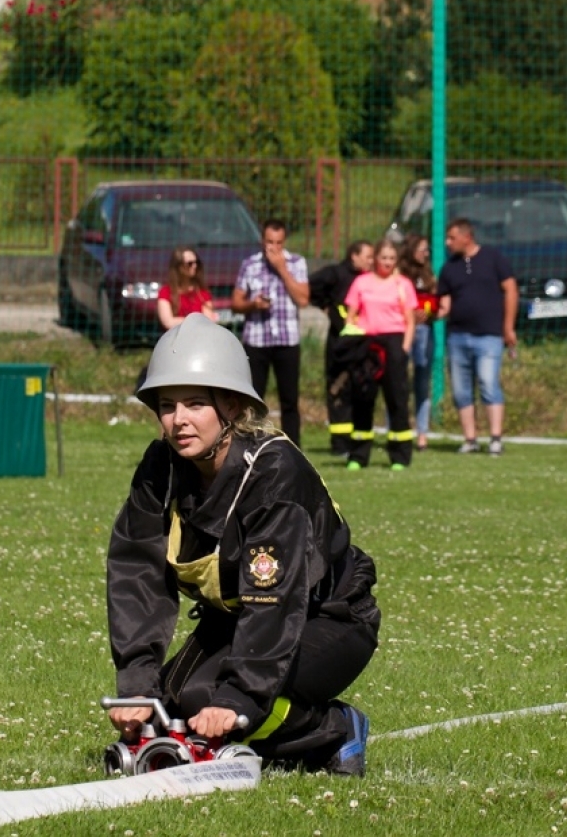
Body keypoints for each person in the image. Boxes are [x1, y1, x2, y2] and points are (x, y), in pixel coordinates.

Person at [106, 314, 378, 775]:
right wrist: (137, 685)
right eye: (167, 406)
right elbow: (138, 575)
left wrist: (239, 697)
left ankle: (334, 728)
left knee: (215, 706)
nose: (179, 421)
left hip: (328, 619)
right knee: (169, 712)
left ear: (231, 406)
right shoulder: (161, 467)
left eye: (195, 404)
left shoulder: (275, 474)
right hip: (237, 618)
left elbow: (275, 598)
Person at [436, 218, 517, 455]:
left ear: (466, 237)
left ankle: (495, 438)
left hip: (489, 336)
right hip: (457, 337)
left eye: (452, 238)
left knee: (488, 384)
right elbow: (445, 304)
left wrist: (508, 327)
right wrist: (428, 313)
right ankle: (469, 439)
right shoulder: (449, 267)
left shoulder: (493, 258)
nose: (447, 243)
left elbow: (510, 289)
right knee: (461, 390)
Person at [230, 219, 310, 444]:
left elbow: (303, 299)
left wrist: (282, 269)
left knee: (289, 400)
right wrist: (253, 304)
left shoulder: (296, 263)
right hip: (257, 339)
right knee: (253, 399)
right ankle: (249, 445)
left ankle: (293, 449)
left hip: (287, 340)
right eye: (269, 242)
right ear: (262, 241)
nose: (273, 247)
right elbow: (236, 302)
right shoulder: (250, 264)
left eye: (278, 242)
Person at [341, 239, 418, 470]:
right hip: (367, 343)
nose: (387, 262)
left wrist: (404, 348)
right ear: (376, 259)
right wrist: (354, 337)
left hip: (394, 342)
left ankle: (400, 456)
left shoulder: (403, 284)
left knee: (397, 399)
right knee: (363, 398)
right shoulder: (361, 282)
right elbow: (351, 313)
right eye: (383, 257)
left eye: (391, 258)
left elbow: (410, 319)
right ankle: (358, 455)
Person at [309, 240, 373, 454]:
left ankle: (358, 440)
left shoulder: (369, 279)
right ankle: (339, 444)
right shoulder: (335, 274)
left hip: (364, 343)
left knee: (360, 390)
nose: (371, 261)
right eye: (367, 256)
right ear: (353, 256)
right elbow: (310, 286)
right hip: (340, 343)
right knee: (338, 389)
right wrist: (325, 305)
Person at [398, 234, 439, 451]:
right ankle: (398, 430)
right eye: (422, 249)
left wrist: (429, 311)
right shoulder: (399, 274)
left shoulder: (429, 274)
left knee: (422, 382)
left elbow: (436, 299)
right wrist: (409, 314)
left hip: (424, 330)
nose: (426, 253)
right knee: (397, 383)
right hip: (401, 330)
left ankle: (422, 433)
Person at [156, 247, 216, 331]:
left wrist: (180, 321)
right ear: (178, 266)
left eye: (197, 262)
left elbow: (209, 321)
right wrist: (196, 322)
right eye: (190, 263)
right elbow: (168, 322)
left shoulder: (202, 292)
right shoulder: (165, 292)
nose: (195, 266)